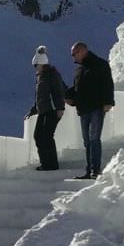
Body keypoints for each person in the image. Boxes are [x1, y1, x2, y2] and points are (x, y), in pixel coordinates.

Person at [65, 42, 115, 179]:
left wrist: (108, 102)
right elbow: (77, 89)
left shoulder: (100, 64)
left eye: (74, 53)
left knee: (94, 138)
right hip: (83, 109)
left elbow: (107, 83)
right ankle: (89, 170)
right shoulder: (79, 70)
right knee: (87, 141)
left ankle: (95, 170)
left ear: (82, 51)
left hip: (97, 108)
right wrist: (68, 97)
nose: (73, 57)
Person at [25, 45, 67, 171]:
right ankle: (46, 163)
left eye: (36, 65)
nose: (35, 68)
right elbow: (40, 98)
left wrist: (60, 107)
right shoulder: (40, 77)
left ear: (40, 63)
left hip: (52, 109)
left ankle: (51, 165)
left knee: (47, 136)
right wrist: (33, 110)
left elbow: (58, 91)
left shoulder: (51, 74)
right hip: (44, 110)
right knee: (39, 135)